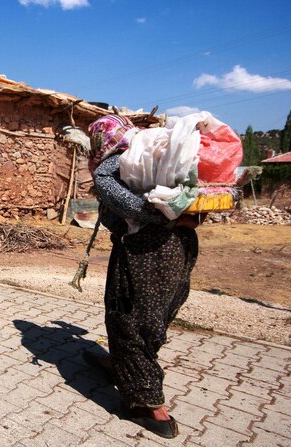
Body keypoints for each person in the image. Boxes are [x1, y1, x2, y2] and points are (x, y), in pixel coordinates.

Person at [85, 115, 202, 439]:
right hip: (181, 248)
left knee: (129, 319)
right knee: (154, 316)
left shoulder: (112, 164)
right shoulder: (156, 158)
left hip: (146, 253)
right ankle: (119, 364)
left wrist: (160, 217)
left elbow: (119, 196)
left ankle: (149, 406)